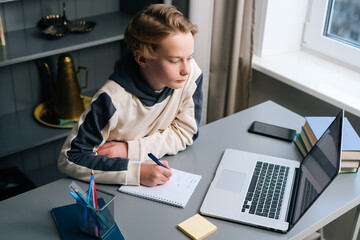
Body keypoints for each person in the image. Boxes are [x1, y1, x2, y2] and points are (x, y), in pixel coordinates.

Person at [58, 4, 203, 187]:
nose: (186, 70)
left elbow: (186, 131)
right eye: (175, 61)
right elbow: (70, 158)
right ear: (142, 59)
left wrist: (129, 150)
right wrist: (136, 172)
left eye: (189, 57)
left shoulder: (192, 76)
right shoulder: (111, 100)